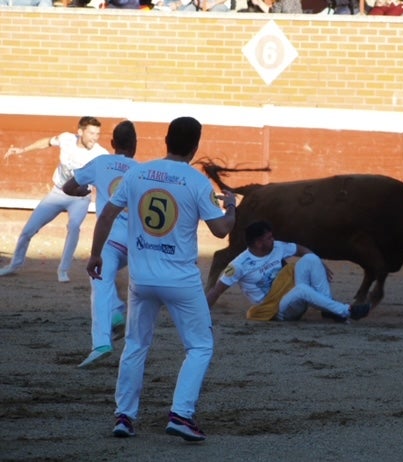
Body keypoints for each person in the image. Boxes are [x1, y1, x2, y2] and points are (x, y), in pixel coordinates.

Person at [87, 116, 236, 441]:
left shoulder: (138, 172)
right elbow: (221, 230)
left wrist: (96, 254)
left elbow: (107, 214)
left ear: (166, 139)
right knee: (200, 346)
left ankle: (124, 417)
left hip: (142, 278)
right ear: (195, 146)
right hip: (181, 279)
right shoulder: (197, 183)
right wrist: (232, 209)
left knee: (136, 345)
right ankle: (181, 414)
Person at [62, 120, 138, 369]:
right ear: (135, 145)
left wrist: (84, 191)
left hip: (110, 239)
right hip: (137, 243)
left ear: (113, 143)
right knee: (123, 285)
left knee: (99, 283)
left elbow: (69, 186)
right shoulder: (141, 169)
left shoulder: (101, 162)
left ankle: (101, 343)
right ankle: (119, 315)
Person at [0, 116, 108, 282]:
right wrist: (22, 150)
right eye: (91, 133)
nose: (95, 137)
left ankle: (63, 270)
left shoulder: (101, 154)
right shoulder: (66, 139)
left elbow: (108, 176)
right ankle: (14, 265)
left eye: (97, 134)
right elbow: (47, 142)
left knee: (74, 227)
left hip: (80, 198)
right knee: (28, 230)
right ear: (80, 132)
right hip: (57, 193)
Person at [206, 220, 371, 323]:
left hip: (293, 297)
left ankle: (329, 309)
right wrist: (200, 314)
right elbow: (216, 291)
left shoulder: (277, 247)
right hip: (277, 310)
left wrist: (319, 263)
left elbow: (300, 249)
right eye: (269, 237)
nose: (273, 239)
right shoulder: (239, 265)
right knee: (301, 289)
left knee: (311, 259)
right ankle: (346, 311)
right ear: (258, 243)